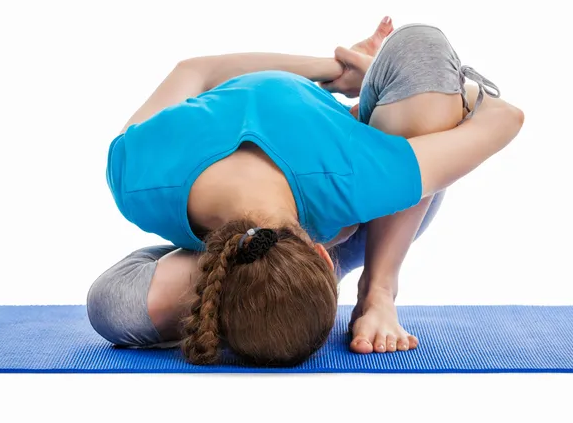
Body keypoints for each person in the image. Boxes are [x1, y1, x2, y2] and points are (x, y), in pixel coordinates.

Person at [87, 18, 524, 366]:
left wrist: (346, 72)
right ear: (323, 252)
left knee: (112, 309)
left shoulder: (138, 171)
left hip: (369, 207)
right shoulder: (134, 175)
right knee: (112, 308)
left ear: (318, 252)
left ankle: (378, 289)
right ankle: (279, 295)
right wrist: (348, 71)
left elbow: (196, 71)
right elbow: (504, 116)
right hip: (354, 195)